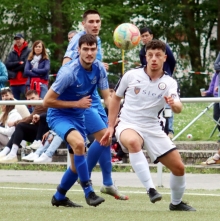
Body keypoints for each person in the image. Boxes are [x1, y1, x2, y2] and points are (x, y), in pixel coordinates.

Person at [100, 40, 196, 211]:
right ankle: (151, 189)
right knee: (133, 142)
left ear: (164, 58)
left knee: (179, 168)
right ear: (145, 56)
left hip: (153, 127)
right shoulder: (131, 75)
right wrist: (111, 126)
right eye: (150, 55)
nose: (153, 59)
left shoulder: (169, 82)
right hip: (128, 123)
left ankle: (176, 203)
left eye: (158, 55)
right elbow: (115, 99)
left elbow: (179, 107)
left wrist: (173, 104)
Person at [61, 9, 127, 201]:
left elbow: (93, 66)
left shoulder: (95, 40)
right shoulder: (79, 39)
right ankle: (83, 177)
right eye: (91, 21)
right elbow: (66, 63)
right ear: (83, 24)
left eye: (98, 21)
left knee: (107, 134)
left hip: (95, 96)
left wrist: (98, 64)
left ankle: (107, 183)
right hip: (82, 97)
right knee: (103, 136)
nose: (95, 25)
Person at [43, 34, 106, 207]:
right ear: (78, 50)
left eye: (93, 49)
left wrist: (114, 123)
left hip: (78, 115)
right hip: (59, 115)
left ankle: (59, 196)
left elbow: (108, 97)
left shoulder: (99, 69)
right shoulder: (68, 72)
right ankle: (89, 191)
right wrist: (77, 103)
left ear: (97, 51)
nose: (89, 53)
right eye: (85, 49)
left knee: (75, 165)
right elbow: (47, 101)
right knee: (80, 145)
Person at [139, 27, 176, 139]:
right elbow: (144, 67)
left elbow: (172, 61)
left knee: (168, 104)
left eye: (146, 35)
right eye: (143, 36)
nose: (145, 38)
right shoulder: (142, 52)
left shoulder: (163, 46)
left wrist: (168, 73)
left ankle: (169, 131)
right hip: (151, 82)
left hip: (164, 80)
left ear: (151, 35)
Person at [0, 90, 48, 163]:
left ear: (38, 96)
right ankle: (7, 152)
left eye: (32, 98)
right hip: (39, 132)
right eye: (28, 99)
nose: (31, 101)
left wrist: (14, 123)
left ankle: (10, 153)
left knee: (20, 126)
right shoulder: (35, 106)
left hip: (44, 133)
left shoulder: (40, 104)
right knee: (20, 127)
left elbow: (29, 119)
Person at [5, 33, 30, 100]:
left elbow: (25, 65)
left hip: (25, 81)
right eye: (16, 39)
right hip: (13, 82)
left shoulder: (29, 51)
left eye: (19, 38)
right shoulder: (11, 53)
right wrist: (18, 63)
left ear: (23, 40)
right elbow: (7, 65)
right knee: (14, 104)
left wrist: (13, 69)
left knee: (28, 103)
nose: (17, 40)